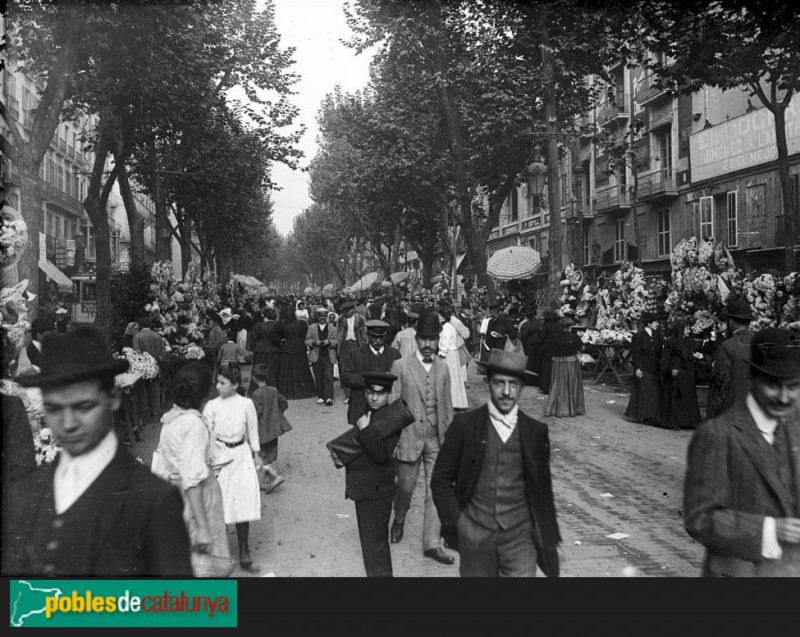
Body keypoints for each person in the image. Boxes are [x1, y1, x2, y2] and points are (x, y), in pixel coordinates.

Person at [1, 326, 192, 577]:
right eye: (54, 409)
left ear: (113, 397)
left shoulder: (154, 499)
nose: (68, 423)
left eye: (83, 406)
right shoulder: (25, 492)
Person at [431, 349, 562, 577]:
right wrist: (459, 523)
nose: (506, 392)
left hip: (519, 539)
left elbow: (543, 489)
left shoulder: (535, 432)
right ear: (488, 384)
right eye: (499, 383)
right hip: (475, 537)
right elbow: (440, 480)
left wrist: (548, 537)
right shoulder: (465, 426)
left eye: (513, 384)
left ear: (521, 387)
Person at [683, 327, 800, 576]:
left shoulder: (795, 431)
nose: (783, 397)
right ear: (752, 380)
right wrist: (769, 530)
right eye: (773, 385)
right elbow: (699, 518)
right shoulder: (717, 434)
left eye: (792, 387)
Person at [387, 310, 455, 565]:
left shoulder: (444, 369)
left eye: (433, 339)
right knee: (405, 487)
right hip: (409, 436)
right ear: (416, 339)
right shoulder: (401, 367)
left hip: (435, 438)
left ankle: (432, 543)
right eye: (424, 339)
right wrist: (392, 442)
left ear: (438, 340)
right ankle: (400, 517)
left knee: (435, 490)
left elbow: (447, 408)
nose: (428, 345)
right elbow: (393, 406)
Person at [153, 362, 232, 577]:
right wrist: (204, 527)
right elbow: (191, 479)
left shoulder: (172, 418)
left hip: (175, 496)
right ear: (204, 395)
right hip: (196, 501)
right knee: (203, 568)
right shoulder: (193, 425)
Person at [343, 371, 408, 577]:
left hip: (377, 493)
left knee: (376, 549)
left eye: (380, 393)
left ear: (389, 394)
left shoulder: (393, 418)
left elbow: (381, 454)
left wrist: (363, 430)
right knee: (371, 549)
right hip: (365, 490)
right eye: (370, 392)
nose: (374, 397)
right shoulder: (369, 413)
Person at [202, 362, 263, 570]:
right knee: (219, 502)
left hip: (241, 455)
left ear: (235, 384)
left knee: (241, 503)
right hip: (220, 456)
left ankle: (244, 548)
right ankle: (218, 552)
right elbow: (207, 433)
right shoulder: (212, 406)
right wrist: (208, 457)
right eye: (217, 382)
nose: (218, 386)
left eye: (222, 382)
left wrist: (256, 454)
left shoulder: (246, 404)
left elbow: (253, 430)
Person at [340, 319, 401, 427]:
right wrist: (371, 380)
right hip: (361, 407)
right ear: (368, 335)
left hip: (386, 408)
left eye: (381, 337)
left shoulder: (394, 354)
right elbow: (345, 376)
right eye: (374, 337)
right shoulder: (356, 354)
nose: (378, 341)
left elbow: (400, 378)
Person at [706, 297, 754, 419]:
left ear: (731, 322)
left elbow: (719, 385)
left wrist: (712, 416)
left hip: (732, 413)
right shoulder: (760, 344)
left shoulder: (727, 347)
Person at [250, 363, 292, 493]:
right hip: (273, 429)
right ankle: (266, 482)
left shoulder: (256, 394)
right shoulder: (273, 390)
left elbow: (256, 413)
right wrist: (276, 414)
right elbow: (284, 402)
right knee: (268, 455)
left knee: (260, 456)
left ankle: (275, 477)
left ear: (254, 378)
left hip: (261, 430)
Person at [659, 317, 703, 430]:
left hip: (687, 373)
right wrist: (670, 369)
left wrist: (695, 356)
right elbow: (665, 360)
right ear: (680, 329)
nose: (689, 331)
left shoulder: (689, 342)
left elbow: (688, 354)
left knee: (688, 397)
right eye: (686, 328)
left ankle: (687, 421)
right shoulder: (671, 342)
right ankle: (674, 422)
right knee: (676, 397)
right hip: (676, 373)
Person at [624, 311, 664, 427]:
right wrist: (637, 368)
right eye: (656, 322)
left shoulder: (658, 336)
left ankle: (652, 415)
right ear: (649, 323)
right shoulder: (639, 336)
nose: (657, 324)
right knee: (645, 392)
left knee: (654, 393)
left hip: (655, 368)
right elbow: (636, 354)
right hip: (644, 368)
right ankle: (644, 415)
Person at [544, 316, 585, 417]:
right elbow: (582, 348)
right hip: (571, 362)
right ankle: (572, 408)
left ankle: (556, 408)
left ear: (560, 326)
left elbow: (549, 348)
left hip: (557, 362)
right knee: (571, 385)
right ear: (570, 326)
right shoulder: (574, 337)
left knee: (557, 384)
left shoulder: (553, 337)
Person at [276, 302, 317, 400]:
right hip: (299, 347)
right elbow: (305, 335)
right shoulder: (301, 323)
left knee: (288, 370)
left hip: (287, 347)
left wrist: (282, 340)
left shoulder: (281, 324)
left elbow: (275, 335)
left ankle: (288, 391)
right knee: (301, 369)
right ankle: (303, 390)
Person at [132, 315, 165, 420]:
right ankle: (155, 411)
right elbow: (163, 353)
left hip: (142, 367)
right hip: (155, 366)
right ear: (150, 325)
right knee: (154, 388)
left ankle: (144, 412)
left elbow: (135, 353)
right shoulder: (157, 336)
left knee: (143, 389)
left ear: (141, 326)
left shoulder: (137, 337)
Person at [438, 303, 469, 411]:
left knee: (449, 376)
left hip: (448, 354)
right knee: (454, 377)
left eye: (439, 315)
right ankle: (455, 400)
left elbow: (444, 343)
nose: (438, 317)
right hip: (452, 353)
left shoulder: (446, 327)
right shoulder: (449, 326)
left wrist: (441, 353)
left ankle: (450, 400)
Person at [306, 307, 338, 406]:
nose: (322, 318)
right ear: (317, 317)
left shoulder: (333, 328)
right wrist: (315, 342)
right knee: (318, 376)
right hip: (316, 355)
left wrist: (329, 342)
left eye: (324, 316)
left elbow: (336, 341)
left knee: (328, 377)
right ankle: (321, 396)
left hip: (328, 355)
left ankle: (329, 397)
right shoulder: (312, 328)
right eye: (320, 316)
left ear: (326, 317)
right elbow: (307, 340)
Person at [337, 300, 367, 404]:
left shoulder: (360, 319)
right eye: (344, 311)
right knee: (345, 371)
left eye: (347, 310)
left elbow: (364, 334)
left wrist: (363, 345)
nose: (345, 313)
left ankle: (358, 395)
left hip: (356, 345)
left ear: (353, 310)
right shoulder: (341, 319)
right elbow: (338, 332)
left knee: (358, 369)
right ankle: (348, 395)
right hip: (344, 345)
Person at [247, 307, 281, 394]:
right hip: (273, 350)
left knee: (259, 370)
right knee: (273, 371)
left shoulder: (258, 325)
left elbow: (253, 338)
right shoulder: (277, 325)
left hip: (260, 350)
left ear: (265, 316)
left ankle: (256, 390)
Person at [532, 309, 561, 394]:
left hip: (547, 348)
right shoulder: (558, 324)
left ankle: (546, 387)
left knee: (546, 367)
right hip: (556, 347)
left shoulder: (547, 325)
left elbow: (542, 338)